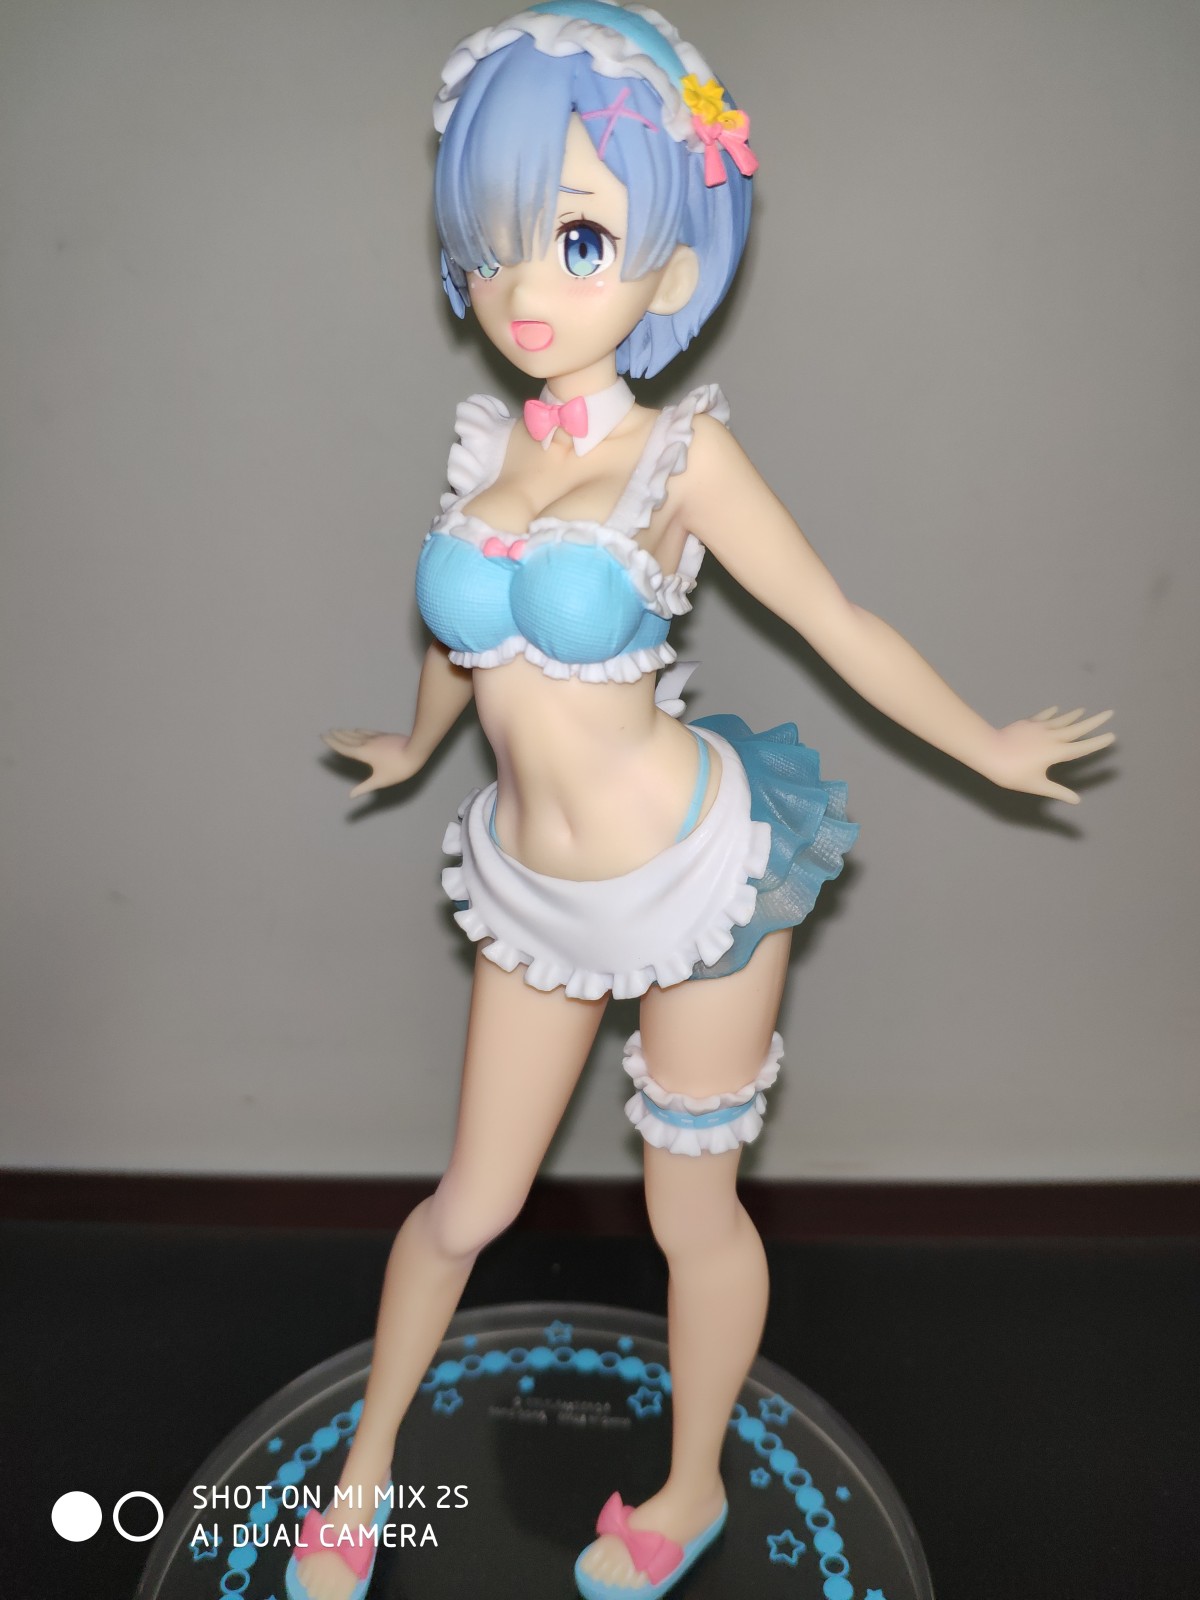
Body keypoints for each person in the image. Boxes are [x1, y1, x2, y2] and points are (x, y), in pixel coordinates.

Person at [290, 6, 1114, 1598]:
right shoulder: (486, 451)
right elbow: (463, 646)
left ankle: (688, 1493)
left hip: (699, 880)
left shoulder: (684, 460)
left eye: (577, 240)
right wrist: (411, 745)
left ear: (669, 268)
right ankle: (367, 1475)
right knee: (466, 1206)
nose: (525, 288)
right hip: (533, 886)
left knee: (691, 1210)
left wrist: (988, 745)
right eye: (493, 242)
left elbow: (838, 623)